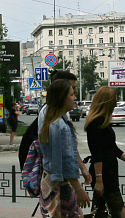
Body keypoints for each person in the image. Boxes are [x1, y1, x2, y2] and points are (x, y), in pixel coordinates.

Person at [18, 70, 91, 188]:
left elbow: (69, 147)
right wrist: (77, 188)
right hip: (57, 181)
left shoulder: (61, 114)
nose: (76, 92)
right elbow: (58, 156)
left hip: (58, 179)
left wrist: (82, 168)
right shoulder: (52, 119)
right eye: (73, 88)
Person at [85, 87, 125, 218]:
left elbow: (114, 149)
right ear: (107, 102)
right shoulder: (96, 123)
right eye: (114, 100)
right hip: (104, 175)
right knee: (120, 214)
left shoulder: (103, 121)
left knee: (99, 212)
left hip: (108, 172)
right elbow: (97, 154)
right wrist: (99, 180)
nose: (116, 103)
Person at [39, 79, 90, 217]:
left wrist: (82, 169)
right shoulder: (59, 125)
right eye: (71, 95)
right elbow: (63, 161)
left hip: (51, 183)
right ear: (62, 98)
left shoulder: (53, 120)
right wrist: (78, 189)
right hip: (60, 185)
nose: (75, 98)